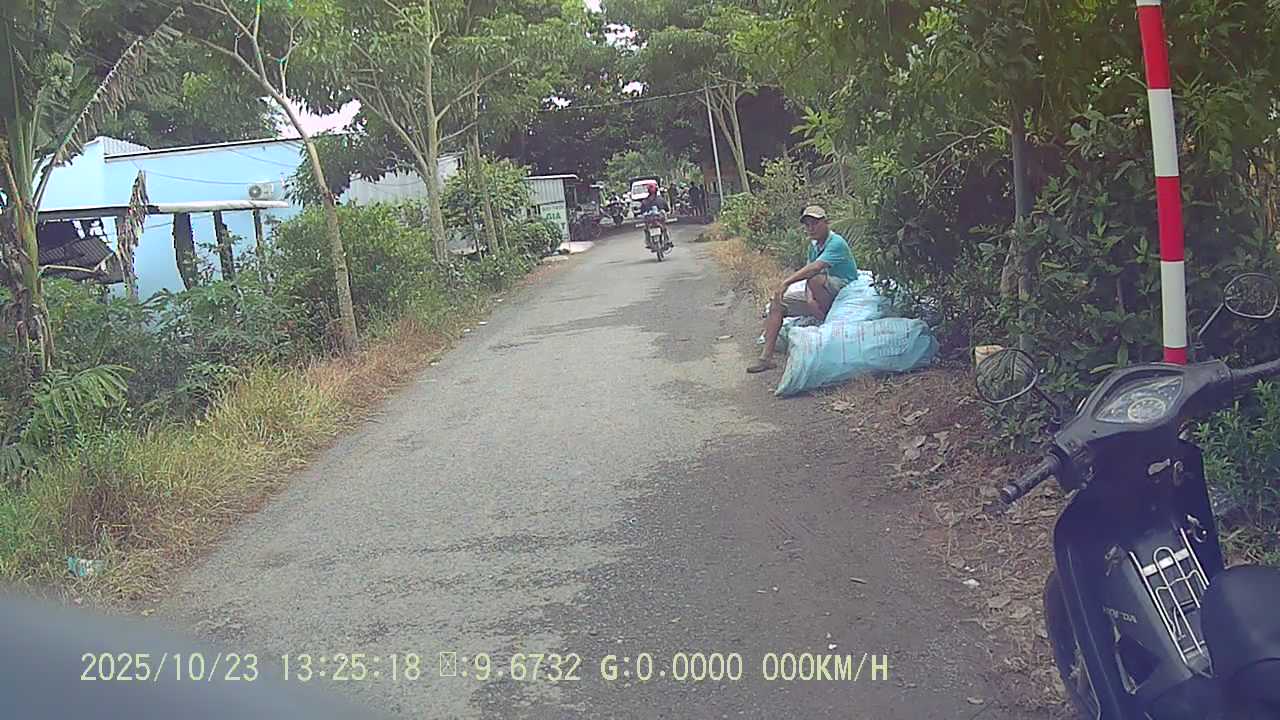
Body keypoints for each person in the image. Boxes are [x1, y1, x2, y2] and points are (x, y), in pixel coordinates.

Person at [747, 205, 858, 374]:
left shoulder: (836, 243)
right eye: (807, 225)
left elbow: (815, 269)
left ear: (826, 223)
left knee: (815, 280)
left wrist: (786, 282)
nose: (811, 228)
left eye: (815, 223)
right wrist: (809, 299)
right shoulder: (813, 246)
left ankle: (825, 317)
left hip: (843, 291)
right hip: (822, 291)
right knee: (777, 303)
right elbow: (809, 275)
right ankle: (765, 358)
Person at [638, 184, 671, 248]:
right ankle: (666, 241)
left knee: (663, 228)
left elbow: (642, 211)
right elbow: (667, 209)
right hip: (653, 220)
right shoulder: (660, 199)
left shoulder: (645, 201)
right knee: (663, 228)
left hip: (656, 220)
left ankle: (650, 242)